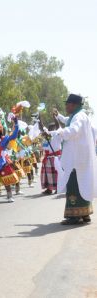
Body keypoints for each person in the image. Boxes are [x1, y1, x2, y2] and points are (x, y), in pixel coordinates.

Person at [46, 94, 97, 224]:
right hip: (79, 158)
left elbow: (73, 130)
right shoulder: (78, 115)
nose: (66, 106)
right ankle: (85, 214)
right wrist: (58, 117)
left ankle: (74, 215)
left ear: (74, 105)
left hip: (76, 161)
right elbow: (67, 121)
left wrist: (59, 132)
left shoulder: (79, 117)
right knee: (83, 184)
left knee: (74, 186)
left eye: (67, 104)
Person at [41, 123, 61, 195]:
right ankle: (49, 189)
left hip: (55, 157)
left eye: (51, 128)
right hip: (47, 158)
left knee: (56, 174)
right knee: (47, 174)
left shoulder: (57, 135)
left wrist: (56, 118)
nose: (50, 130)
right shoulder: (47, 137)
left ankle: (58, 188)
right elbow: (43, 128)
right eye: (49, 129)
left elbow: (58, 128)